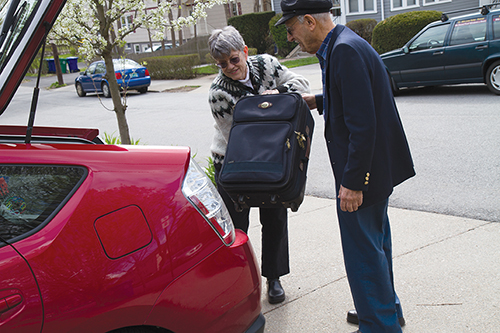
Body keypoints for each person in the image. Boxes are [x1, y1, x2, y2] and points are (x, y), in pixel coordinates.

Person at [275, 1, 415, 332]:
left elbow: (363, 126)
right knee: (376, 246)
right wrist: (318, 101)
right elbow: (358, 97)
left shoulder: (344, 52)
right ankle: (386, 309)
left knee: (363, 256)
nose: (292, 36)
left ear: (309, 21)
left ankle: (378, 324)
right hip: (378, 172)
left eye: (291, 28)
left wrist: (353, 183)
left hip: (363, 177)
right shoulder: (346, 43)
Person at [207, 26, 311, 304]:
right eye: (222, 64)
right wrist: (274, 106)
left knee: (275, 218)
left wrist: (273, 94)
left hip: (273, 157)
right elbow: (241, 138)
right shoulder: (218, 93)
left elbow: (301, 85)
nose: (229, 67)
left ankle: (273, 278)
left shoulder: (266, 65)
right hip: (233, 161)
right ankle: (236, 280)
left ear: (244, 51)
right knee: (236, 227)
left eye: (233, 59)